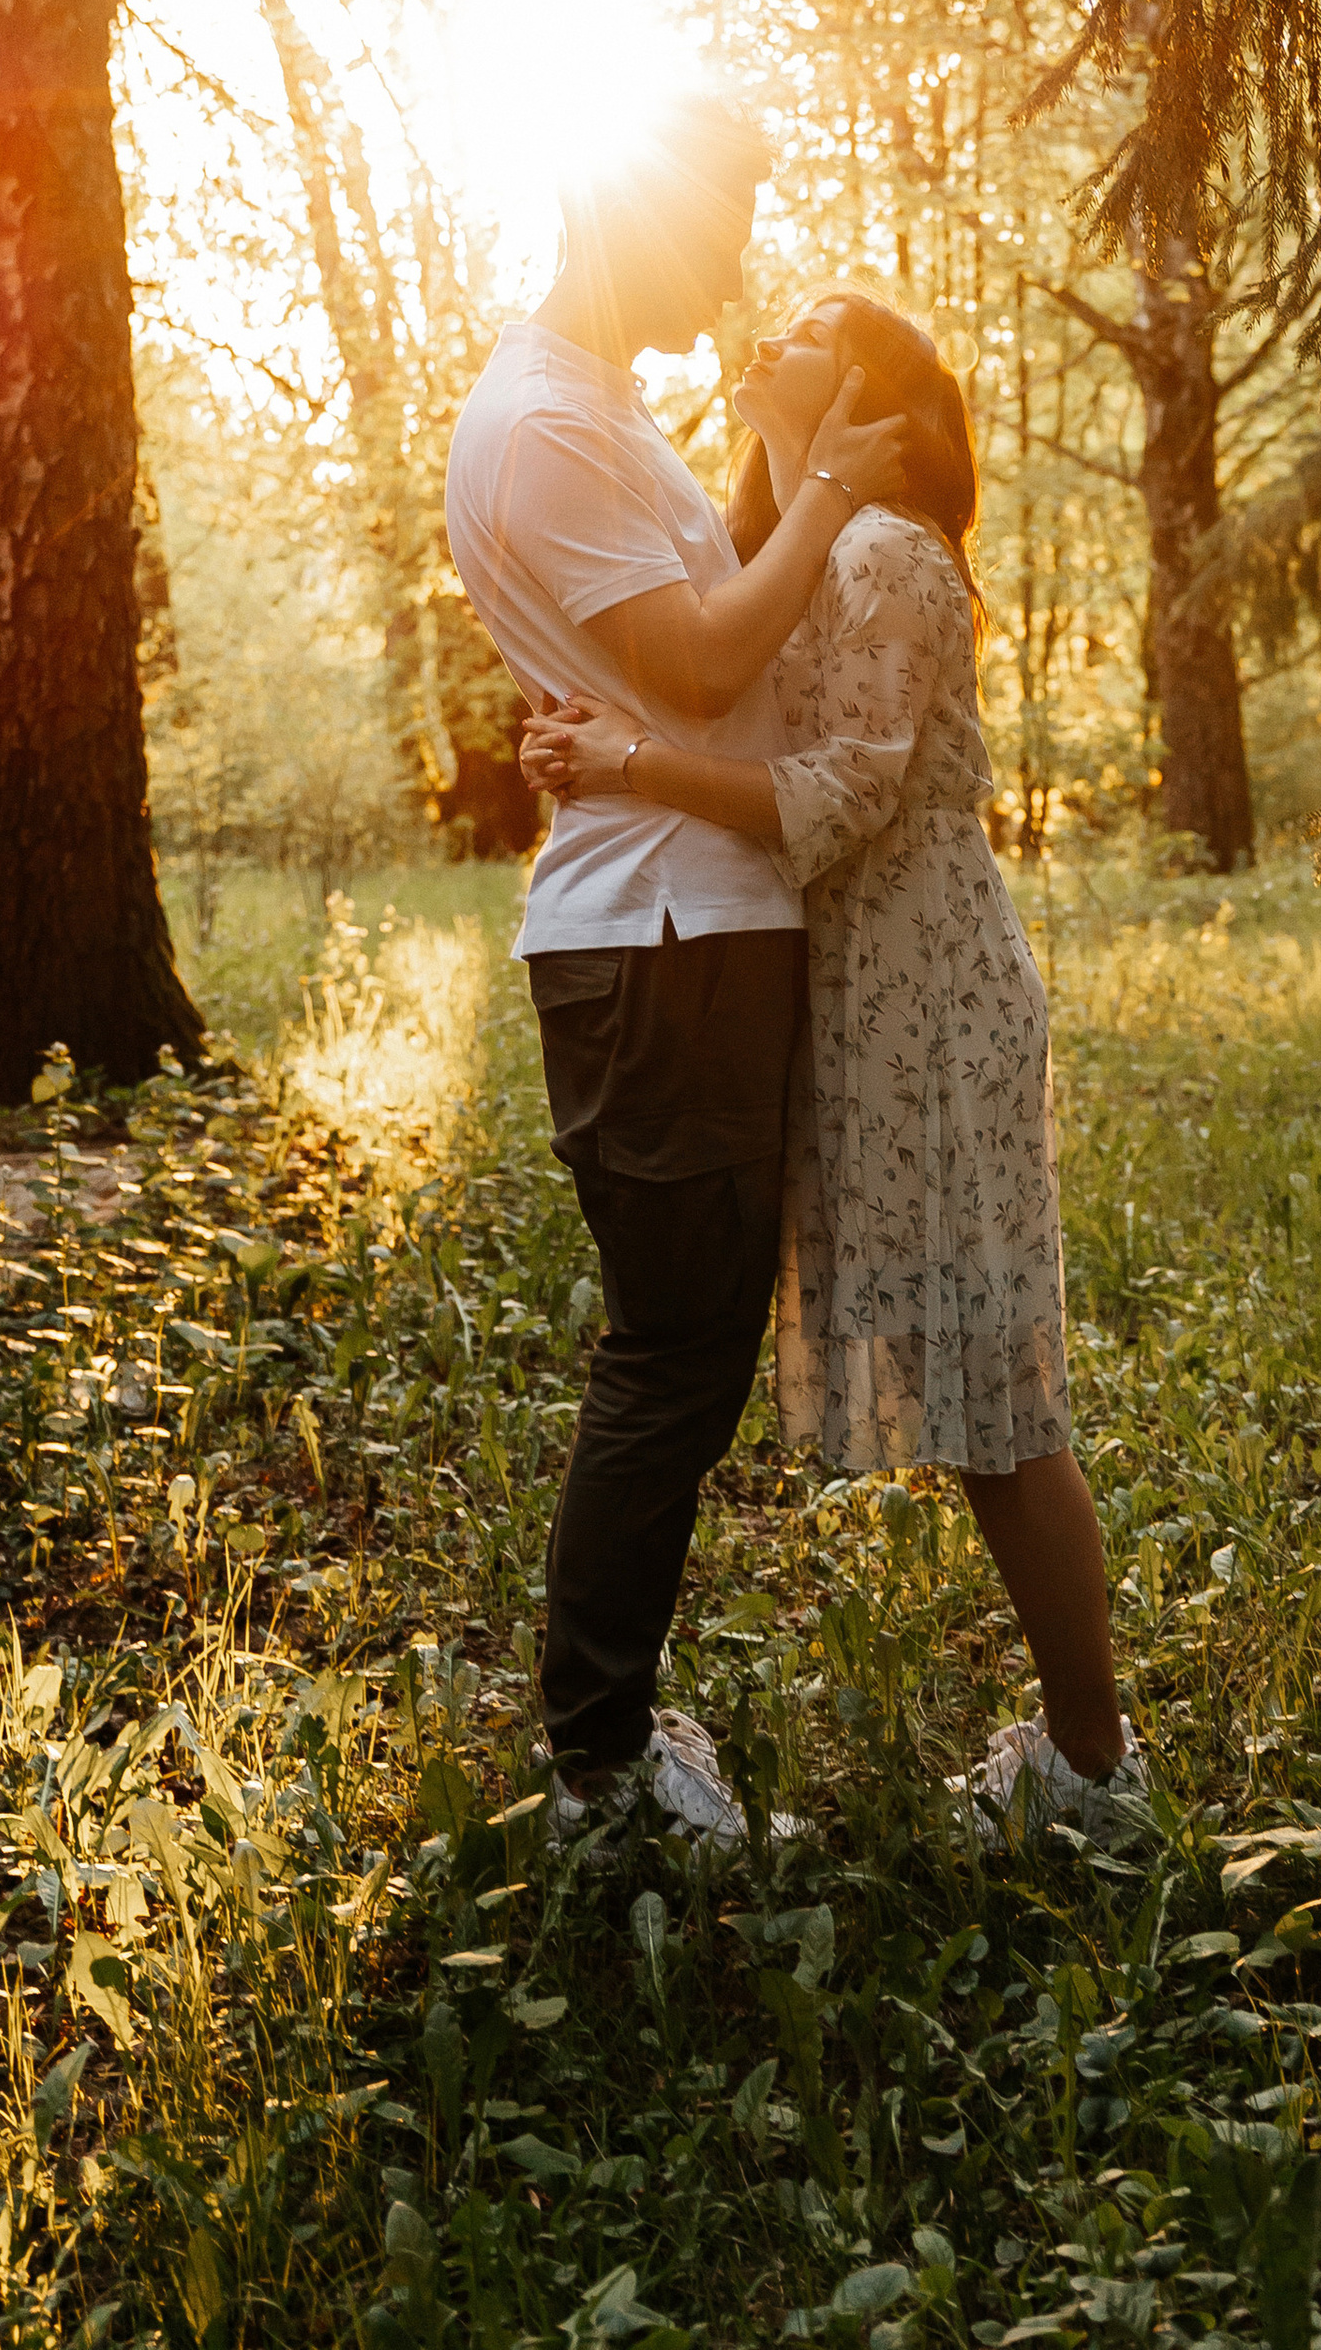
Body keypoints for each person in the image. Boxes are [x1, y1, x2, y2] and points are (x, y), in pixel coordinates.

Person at [521, 288, 1145, 1845]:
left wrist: (627, 762)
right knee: (977, 1372)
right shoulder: (800, 553)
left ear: (865, 394)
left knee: (999, 1387)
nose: (761, 326)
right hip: (864, 982)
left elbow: (852, 791)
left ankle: (1092, 1773)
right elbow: (723, 684)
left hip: (926, 986)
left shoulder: (881, 552)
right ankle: (1082, 1761)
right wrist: (595, 731)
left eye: (805, 319)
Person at [442, 97, 907, 1851]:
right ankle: (600, 1772)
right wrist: (843, 482)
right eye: (717, 227)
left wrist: (792, 465)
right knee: (674, 1356)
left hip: (696, 921)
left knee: (689, 1343)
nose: (732, 265)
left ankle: (607, 1738)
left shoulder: (603, 412)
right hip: (662, 939)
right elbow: (709, 668)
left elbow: (697, 633)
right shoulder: (547, 427)